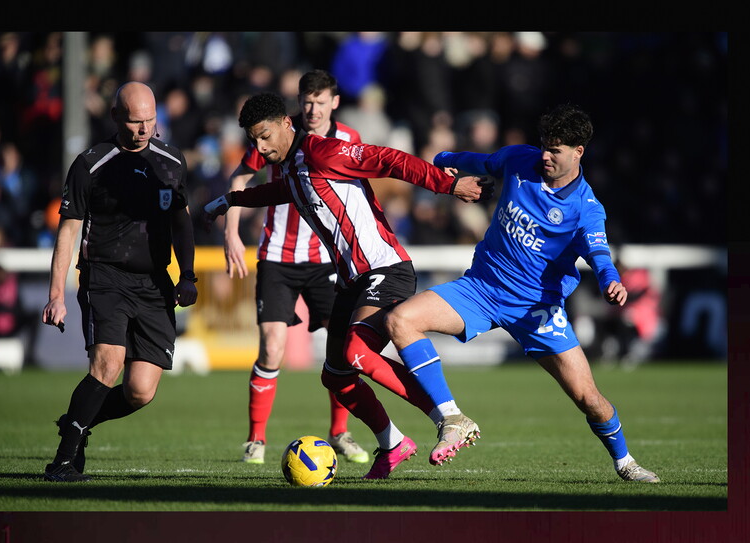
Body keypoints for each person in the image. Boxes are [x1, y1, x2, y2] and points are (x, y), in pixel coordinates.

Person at [200, 92, 493, 479]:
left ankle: (449, 416)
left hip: (386, 268)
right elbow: (282, 192)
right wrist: (232, 199)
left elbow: (391, 160)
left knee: (356, 351)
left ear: (287, 124)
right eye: (254, 140)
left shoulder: (324, 151)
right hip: (355, 280)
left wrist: (445, 185)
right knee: (335, 375)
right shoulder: (291, 167)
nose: (260, 147)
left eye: (265, 135)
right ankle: (393, 443)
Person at [384, 104, 660, 483]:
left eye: (556, 149)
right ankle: (452, 417)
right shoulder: (520, 160)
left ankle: (625, 462)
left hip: (537, 310)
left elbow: (599, 252)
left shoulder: (586, 208)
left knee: (589, 399)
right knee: (401, 320)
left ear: (579, 152)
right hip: (480, 289)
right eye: (545, 145)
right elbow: (478, 161)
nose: (545, 155)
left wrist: (610, 279)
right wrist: (442, 160)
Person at [41, 81, 198, 482]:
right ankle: (62, 461)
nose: (143, 129)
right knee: (108, 363)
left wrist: (188, 275)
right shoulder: (90, 164)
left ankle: (79, 421)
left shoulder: (172, 161)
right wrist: (56, 294)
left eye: (149, 120)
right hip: (104, 278)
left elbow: (181, 224)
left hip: (154, 283)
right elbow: (68, 231)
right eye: (134, 121)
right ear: (115, 117)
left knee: (140, 391)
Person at [223, 70, 369, 465]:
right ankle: (256, 439)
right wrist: (231, 233)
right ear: (298, 104)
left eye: (321, 102)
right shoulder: (277, 135)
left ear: (334, 103)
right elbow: (241, 176)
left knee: (342, 349)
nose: (313, 108)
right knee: (272, 348)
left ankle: (340, 432)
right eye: (307, 101)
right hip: (277, 258)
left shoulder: (348, 141)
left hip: (327, 260)